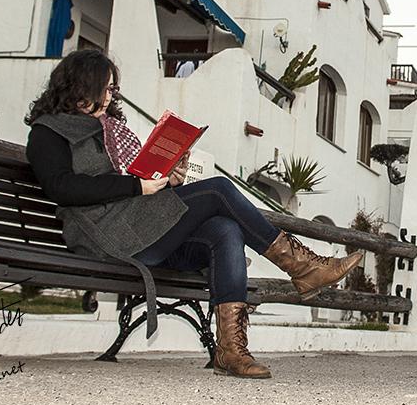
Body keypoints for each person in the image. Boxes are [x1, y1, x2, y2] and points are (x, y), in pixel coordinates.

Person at [24, 49, 362, 379]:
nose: (113, 95)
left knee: (224, 229)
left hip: (137, 226)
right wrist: (136, 187)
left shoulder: (111, 129)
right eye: (107, 87)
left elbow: (131, 183)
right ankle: (304, 267)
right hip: (104, 236)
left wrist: (166, 180)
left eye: (114, 88)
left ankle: (231, 350)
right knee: (217, 190)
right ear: (83, 86)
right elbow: (62, 188)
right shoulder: (47, 132)